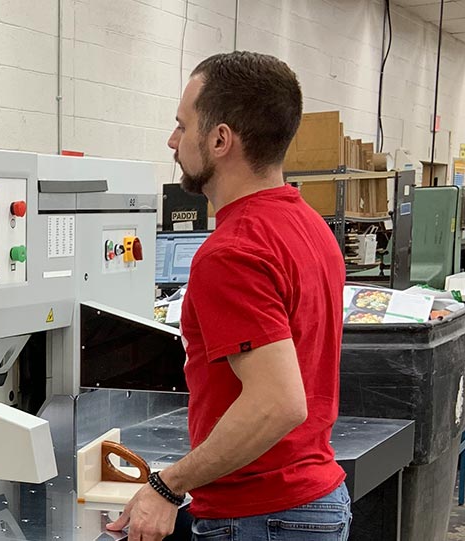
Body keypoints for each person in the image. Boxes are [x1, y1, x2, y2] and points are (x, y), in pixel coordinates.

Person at [107, 51, 351, 540]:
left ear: (220, 139)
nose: (172, 141)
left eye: (182, 125)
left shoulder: (231, 251)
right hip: (313, 502)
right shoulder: (308, 225)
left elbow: (278, 403)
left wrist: (167, 485)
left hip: (262, 517)